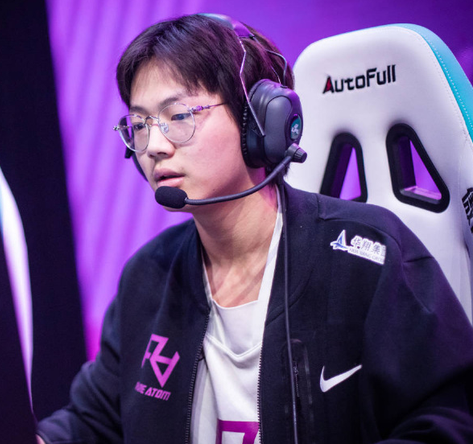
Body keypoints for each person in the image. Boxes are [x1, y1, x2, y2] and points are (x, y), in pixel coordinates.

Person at [36, 13, 473, 443]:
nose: (154, 146)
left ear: (259, 120)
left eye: (179, 116)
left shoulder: (369, 256)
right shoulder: (147, 277)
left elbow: (448, 422)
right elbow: (90, 424)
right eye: (139, 125)